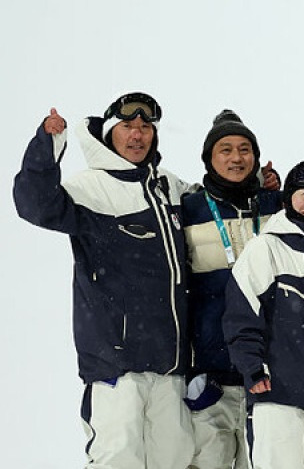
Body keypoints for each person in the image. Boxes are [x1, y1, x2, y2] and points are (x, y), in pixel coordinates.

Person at [13, 93, 193, 468]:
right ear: (110, 133)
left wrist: (263, 185)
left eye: (146, 128)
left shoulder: (169, 188)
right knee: (118, 459)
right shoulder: (91, 188)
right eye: (128, 126)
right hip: (116, 366)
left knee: (174, 459)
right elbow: (35, 204)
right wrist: (48, 147)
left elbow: (213, 208)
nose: (138, 135)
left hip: (170, 365)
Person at [224, 159, 304, 469]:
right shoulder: (265, 248)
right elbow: (242, 314)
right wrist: (252, 366)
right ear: (288, 197)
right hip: (278, 393)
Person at [181, 110, 283, 469]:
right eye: (225, 149)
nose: (236, 158)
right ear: (209, 157)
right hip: (211, 371)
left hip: (269, 373)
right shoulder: (188, 210)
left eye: (244, 149)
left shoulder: (276, 206)